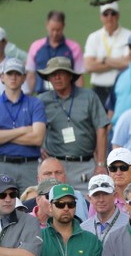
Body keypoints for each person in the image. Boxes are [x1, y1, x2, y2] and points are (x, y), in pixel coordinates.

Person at [38, 56, 110, 189]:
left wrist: (100, 164)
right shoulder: (42, 101)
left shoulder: (88, 96)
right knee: (55, 205)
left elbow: (101, 129)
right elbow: (33, 129)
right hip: (55, 166)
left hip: (85, 164)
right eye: (53, 74)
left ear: (70, 75)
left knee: (88, 206)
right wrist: (39, 149)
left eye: (61, 73)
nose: (57, 77)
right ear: (48, 78)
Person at [0, 58, 47, 190]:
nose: (13, 77)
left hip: (29, 166)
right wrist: (24, 130)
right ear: (2, 77)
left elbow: (37, 138)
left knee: (30, 206)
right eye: (9, 74)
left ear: (24, 78)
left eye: (17, 74)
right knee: (2, 207)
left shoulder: (35, 103)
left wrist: (0, 133)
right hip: (1, 164)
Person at [83, 2, 131, 104]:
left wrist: (103, 60)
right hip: (98, 90)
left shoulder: (129, 35)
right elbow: (88, 66)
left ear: (118, 15)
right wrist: (118, 62)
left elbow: (128, 63)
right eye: (106, 14)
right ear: (101, 17)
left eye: (113, 13)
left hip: (121, 88)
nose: (109, 17)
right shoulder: (93, 37)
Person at [26, 11, 84, 94]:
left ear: (63, 26)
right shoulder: (35, 47)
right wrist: (29, 96)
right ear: (47, 25)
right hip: (42, 95)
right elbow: (31, 75)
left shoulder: (74, 48)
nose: (55, 33)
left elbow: (79, 76)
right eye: (52, 29)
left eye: (58, 30)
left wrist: (80, 97)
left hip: (66, 95)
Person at [20, 158, 89, 220]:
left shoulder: (80, 199)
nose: (54, 177)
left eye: (58, 173)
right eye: (48, 173)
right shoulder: (25, 208)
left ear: (65, 177)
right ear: (39, 179)